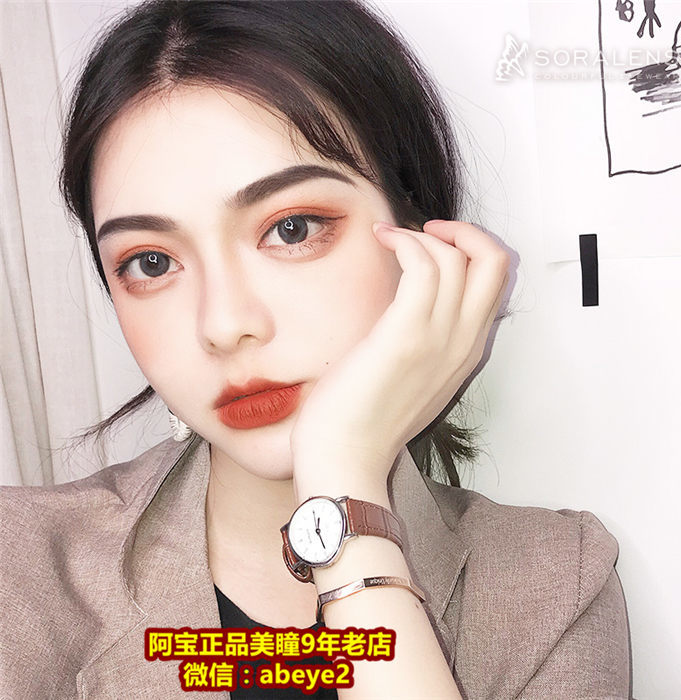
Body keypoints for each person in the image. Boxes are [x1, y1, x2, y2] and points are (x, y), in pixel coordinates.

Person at [0, 1, 631, 698]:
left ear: (420, 237)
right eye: (151, 263)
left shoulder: (555, 582)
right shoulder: (18, 565)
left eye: (293, 228)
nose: (224, 324)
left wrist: (342, 480)